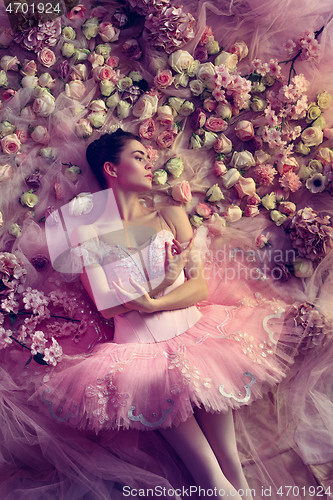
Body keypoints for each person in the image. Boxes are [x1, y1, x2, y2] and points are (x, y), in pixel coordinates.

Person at [29, 129, 302, 500]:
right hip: (141, 359)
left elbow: (199, 288)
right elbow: (107, 304)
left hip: (198, 340)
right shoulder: (88, 234)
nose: (149, 163)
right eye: (138, 157)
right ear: (111, 168)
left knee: (232, 466)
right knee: (208, 476)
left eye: (148, 156)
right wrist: (163, 285)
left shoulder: (170, 213)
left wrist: (154, 301)